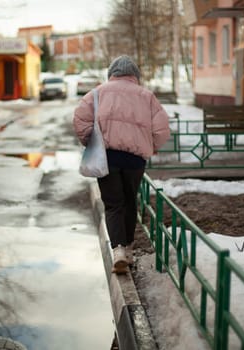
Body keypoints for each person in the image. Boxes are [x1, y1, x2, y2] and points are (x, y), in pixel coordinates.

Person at [73, 55, 171, 274]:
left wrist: (90, 141)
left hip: (107, 158)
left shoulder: (97, 93)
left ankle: (118, 250)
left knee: (114, 204)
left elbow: (80, 119)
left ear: (112, 74)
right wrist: (150, 146)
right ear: (134, 76)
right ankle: (128, 249)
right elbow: (162, 129)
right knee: (129, 202)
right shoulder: (146, 96)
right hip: (135, 160)